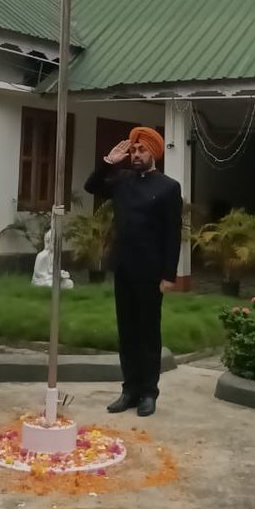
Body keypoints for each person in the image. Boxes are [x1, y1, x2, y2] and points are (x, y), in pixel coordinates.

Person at [84, 126, 182, 417]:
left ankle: (148, 393)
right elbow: (92, 186)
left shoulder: (168, 187)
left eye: (142, 150)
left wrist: (169, 275)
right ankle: (129, 390)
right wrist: (109, 162)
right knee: (127, 333)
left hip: (151, 273)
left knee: (148, 334)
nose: (137, 155)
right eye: (134, 150)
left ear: (154, 153)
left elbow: (172, 235)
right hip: (124, 268)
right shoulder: (122, 180)